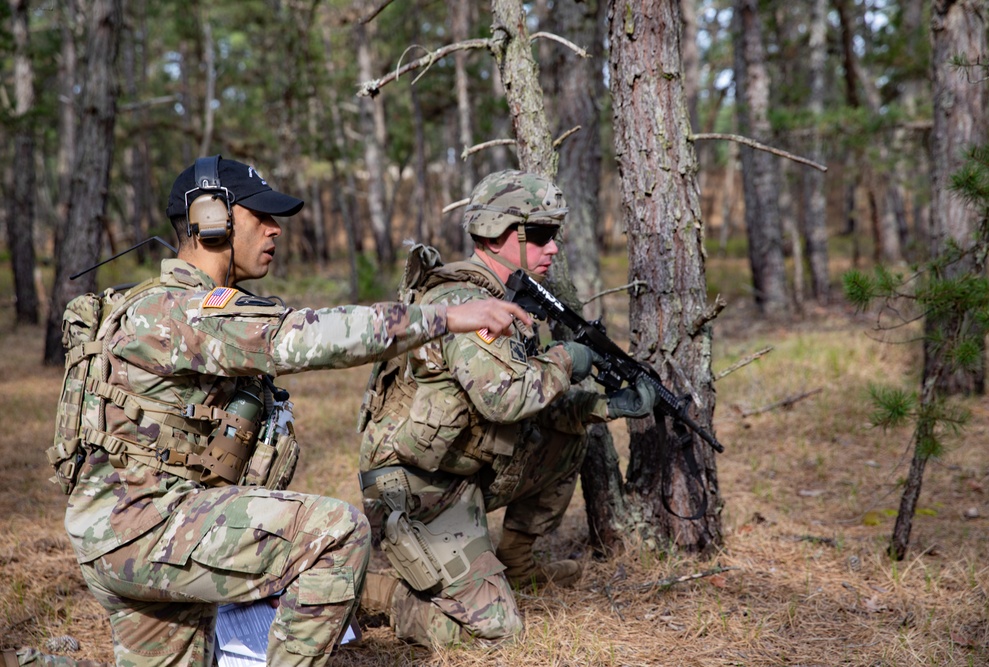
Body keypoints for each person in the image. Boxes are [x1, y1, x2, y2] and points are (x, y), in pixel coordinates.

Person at [3, 156, 530, 667]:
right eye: (261, 216)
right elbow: (307, 337)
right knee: (336, 532)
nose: (276, 230)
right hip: (145, 528)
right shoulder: (181, 310)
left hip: (126, 533)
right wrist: (446, 316)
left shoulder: (171, 306)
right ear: (211, 218)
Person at [355, 169, 656, 647]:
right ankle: (367, 592)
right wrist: (567, 358)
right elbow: (506, 398)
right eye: (539, 235)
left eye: (555, 234)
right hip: (418, 487)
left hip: (463, 467)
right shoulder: (463, 303)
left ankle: (517, 562)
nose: (553, 247)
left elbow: (533, 408)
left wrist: (607, 405)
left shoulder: (506, 299)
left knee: (569, 435)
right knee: (491, 631)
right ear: (499, 236)